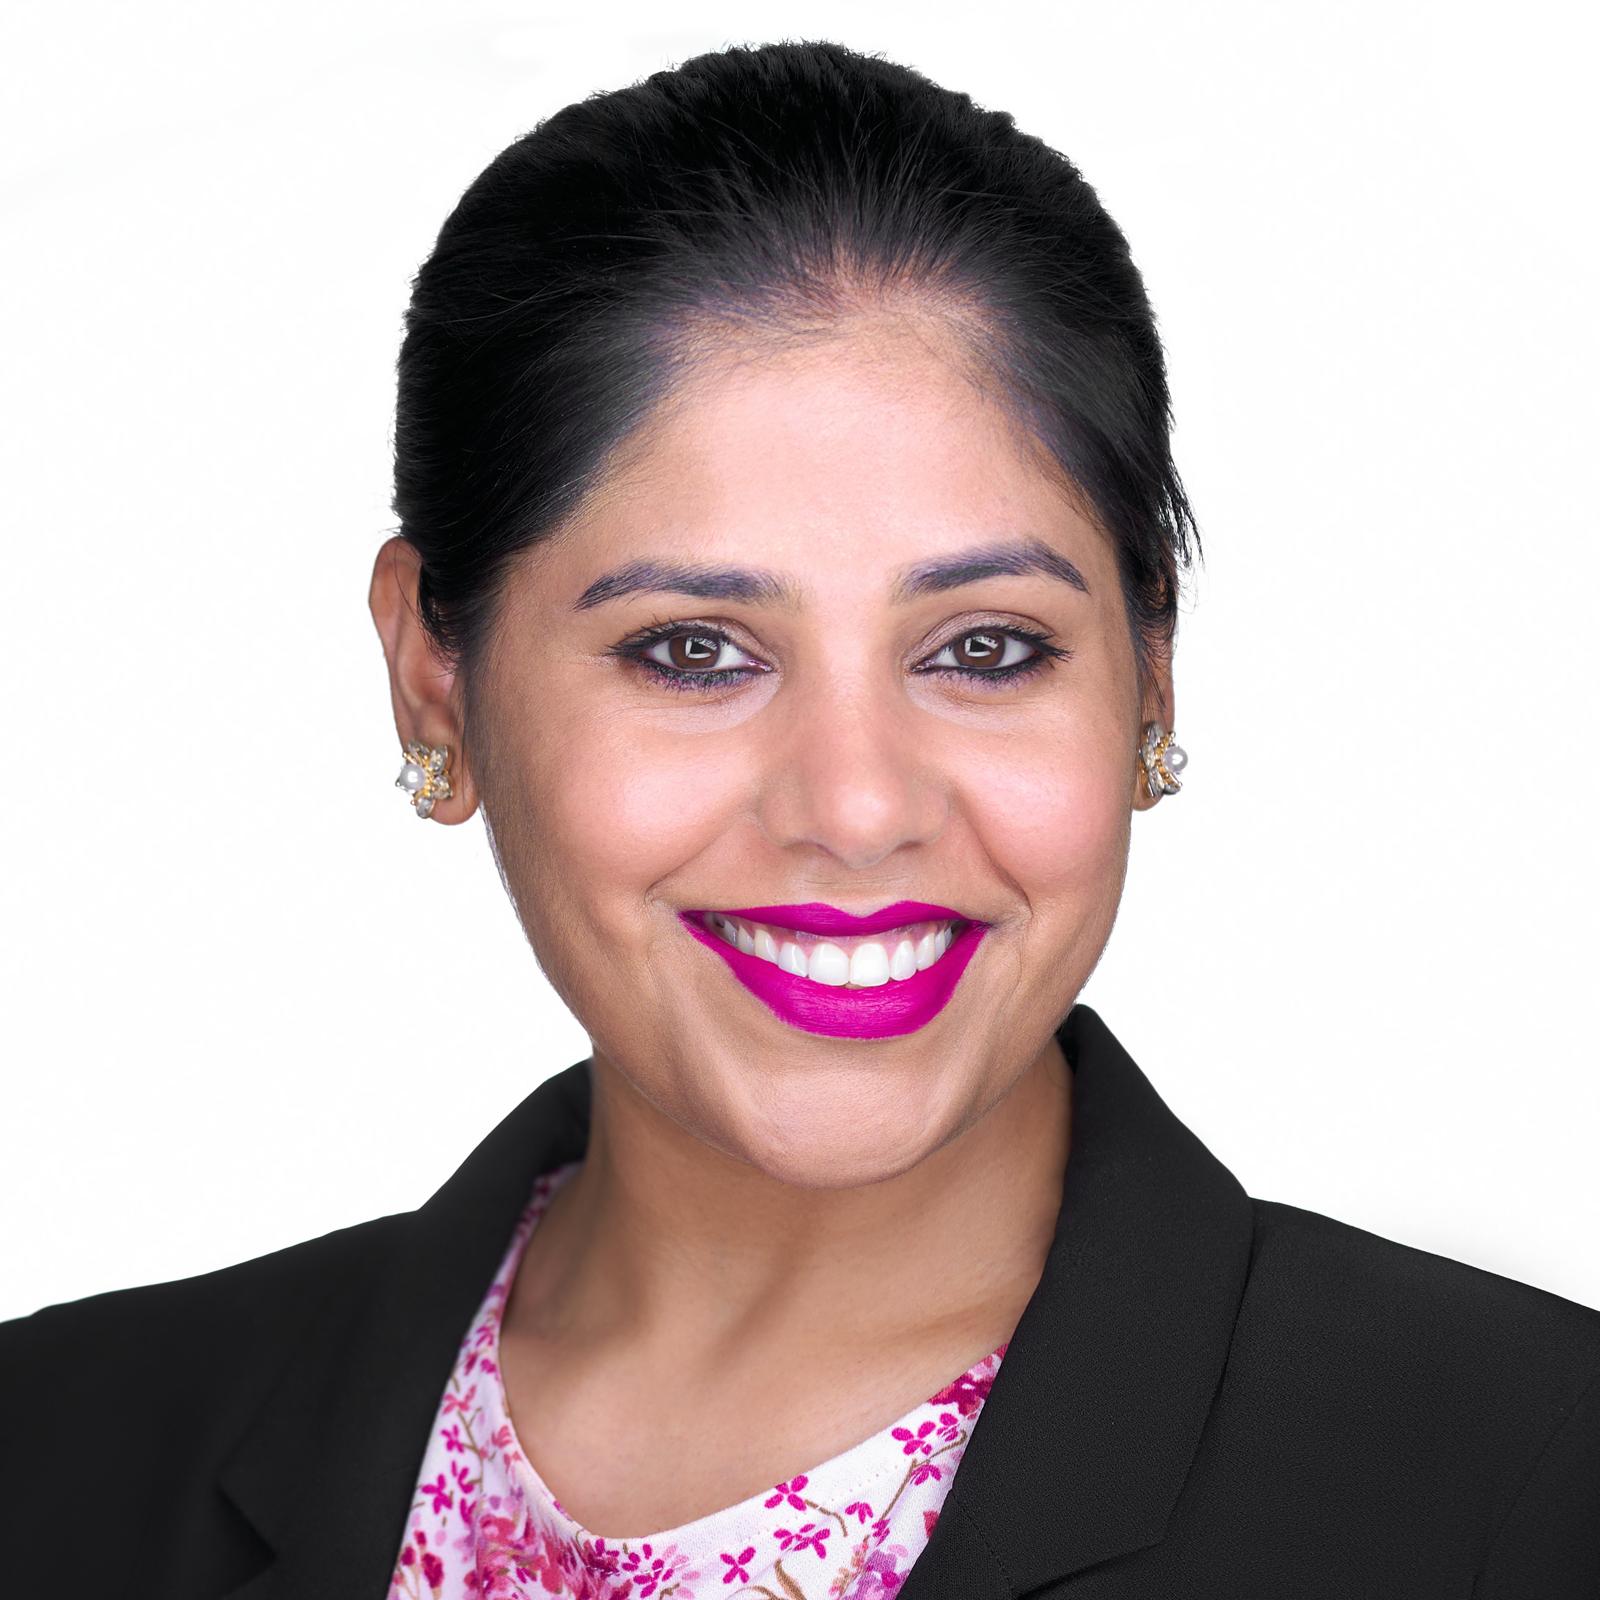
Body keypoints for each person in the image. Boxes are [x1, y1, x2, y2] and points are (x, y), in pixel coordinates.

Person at [2, 37, 1596, 1600]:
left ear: (1149, 678)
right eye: (694, 653)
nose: (857, 806)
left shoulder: (1531, 1486)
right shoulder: (54, 1450)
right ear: (435, 674)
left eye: (986, 650)